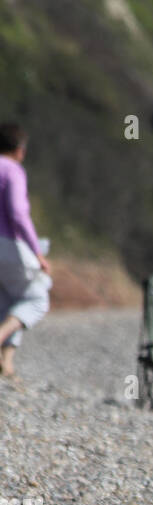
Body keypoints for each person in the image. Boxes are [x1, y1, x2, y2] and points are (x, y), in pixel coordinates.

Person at [0, 122, 52, 379]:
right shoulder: (12, 171)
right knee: (36, 298)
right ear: (20, 149)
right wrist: (38, 253)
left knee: (8, 299)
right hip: (7, 245)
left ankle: (6, 364)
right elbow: (18, 214)